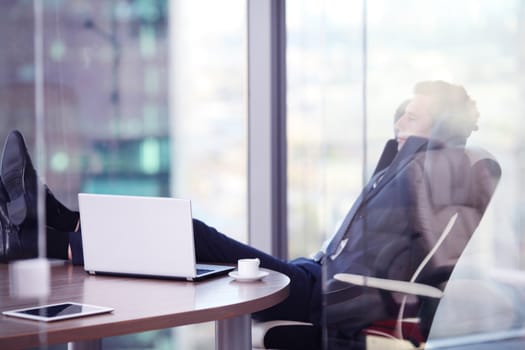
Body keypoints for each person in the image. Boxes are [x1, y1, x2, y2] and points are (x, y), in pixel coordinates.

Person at [0, 80, 499, 347]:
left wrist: (437, 136)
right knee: (193, 254)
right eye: (399, 114)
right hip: (317, 278)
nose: (397, 124)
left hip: (331, 303)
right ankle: (58, 226)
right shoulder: (406, 171)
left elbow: (456, 174)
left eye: (410, 116)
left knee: (190, 233)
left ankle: (44, 236)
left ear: (440, 134)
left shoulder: (433, 170)